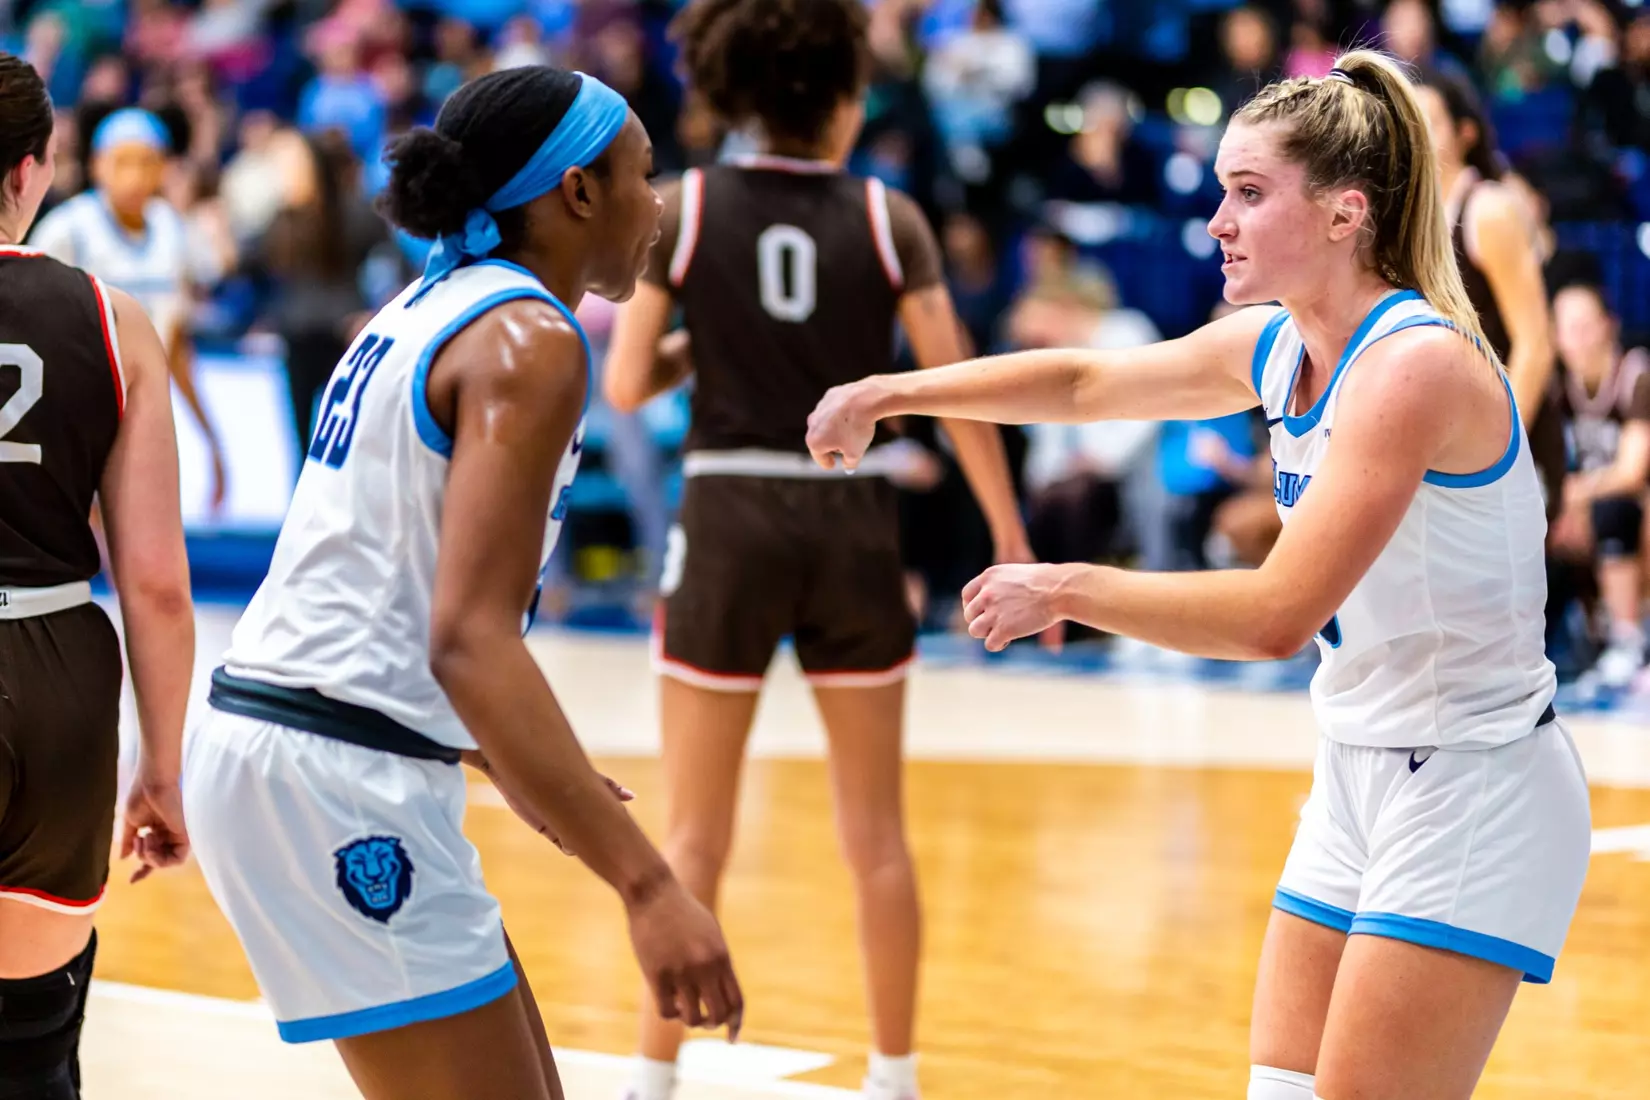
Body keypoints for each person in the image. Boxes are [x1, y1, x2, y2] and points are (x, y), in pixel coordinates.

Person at [806, 51, 1591, 1100]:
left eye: (1250, 193)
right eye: (1223, 190)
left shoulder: (1415, 365)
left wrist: (1066, 587)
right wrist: (892, 390)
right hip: (1358, 763)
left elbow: (1274, 615)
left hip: (1472, 779)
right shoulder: (1278, 343)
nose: (1218, 221)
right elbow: (1083, 383)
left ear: (1345, 214)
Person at [179, 66, 742, 1100]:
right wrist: (650, 886)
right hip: (333, 765)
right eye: (642, 173)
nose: (657, 202)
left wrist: (511, 756)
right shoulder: (530, 339)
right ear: (578, 191)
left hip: (304, 737)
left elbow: (382, 569)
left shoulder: (426, 303)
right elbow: (469, 639)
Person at [603, 3, 1035, 1098]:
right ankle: (894, 1076)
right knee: (877, 835)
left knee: (694, 837)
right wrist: (1008, 529)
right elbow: (952, 391)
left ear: (736, 92)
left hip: (727, 515)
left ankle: (651, 1078)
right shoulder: (891, 218)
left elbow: (626, 383)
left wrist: (717, 340)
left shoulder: (683, 206)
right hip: (850, 516)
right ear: (844, 96)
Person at [0, 53, 195, 1099]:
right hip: (59, 677)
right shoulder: (114, 320)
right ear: (32, 168)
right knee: (31, 1041)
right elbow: (156, 583)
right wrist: (162, 766)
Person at [28, 106, 228, 512]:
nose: (135, 176)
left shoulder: (172, 228)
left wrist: (211, 440)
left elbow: (176, 346)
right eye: (122, 162)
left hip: (143, 408)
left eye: (146, 162)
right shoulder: (67, 230)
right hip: (76, 408)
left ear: (164, 168)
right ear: (97, 165)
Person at [1414, 67, 1565, 519]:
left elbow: (1536, 344)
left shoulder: (1488, 210)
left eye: (1428, 122)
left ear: (1465, 133)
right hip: (1447, 441)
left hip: (1504, 444)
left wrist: (1499, 449)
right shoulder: (1409, 223)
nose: (1414, 135)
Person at [1547, 282, 1650, 689]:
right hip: (1594, 510)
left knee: (1614, 513)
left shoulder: (1634, 374)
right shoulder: (1558, 385)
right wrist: (1566, 505)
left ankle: (1627, 638)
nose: (1576, 338)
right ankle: (1567, 637)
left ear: (1609, 325)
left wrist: (1575, 494)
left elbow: (1631, 472)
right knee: (1541, 522)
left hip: (1636, 507)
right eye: (1566, 328)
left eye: (1584, 326)